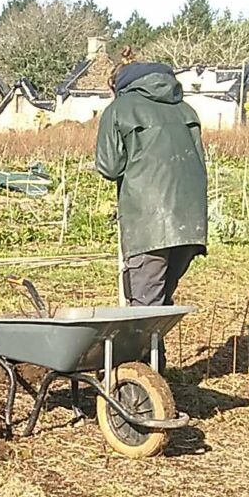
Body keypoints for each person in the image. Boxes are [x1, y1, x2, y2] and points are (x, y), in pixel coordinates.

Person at [94, 58, 208, 310]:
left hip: (148, 225)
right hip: (190, 225)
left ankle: (135, 351)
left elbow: (109, 167)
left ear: (118, 85)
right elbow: (199, 163)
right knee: (160, 306)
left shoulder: (119, 109)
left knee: (144, 310)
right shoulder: (186, 109)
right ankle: (153, 351)